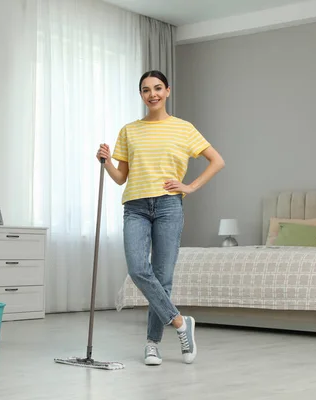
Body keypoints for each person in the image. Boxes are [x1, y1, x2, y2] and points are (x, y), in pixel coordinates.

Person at [96, 70, 225, 366]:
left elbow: (217, 160)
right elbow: (120, 178)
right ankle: (181, 323)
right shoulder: (129, 130)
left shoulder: (183, 128)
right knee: (139, 269)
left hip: (169, 206)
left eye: (157, 88)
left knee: (163, 280)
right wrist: (105, 162)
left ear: (167, 91)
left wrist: (190, 187)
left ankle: (152, 344)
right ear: (141, 95)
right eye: (145, 90)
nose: (152, 94)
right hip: (136, 207)